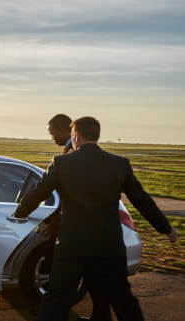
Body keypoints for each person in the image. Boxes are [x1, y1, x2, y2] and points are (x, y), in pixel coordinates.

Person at [11, 116, 178, 321]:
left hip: (72, 244)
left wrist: (19, 213)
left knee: (58, 297)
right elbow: (142, 201)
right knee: (122, 297)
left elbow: (37, 193)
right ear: (96, 136)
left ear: (76, 136)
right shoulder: (119, 164)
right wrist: (166, 228)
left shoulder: (61, 163)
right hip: (108, 244)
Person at [48, 114, 111, 321]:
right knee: (95, 281)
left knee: (66, 280)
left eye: (53, 132)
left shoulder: (73, 154)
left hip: (78, 230)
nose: (52, 137)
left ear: (66, 131)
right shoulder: (70, 152)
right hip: (93, 232)